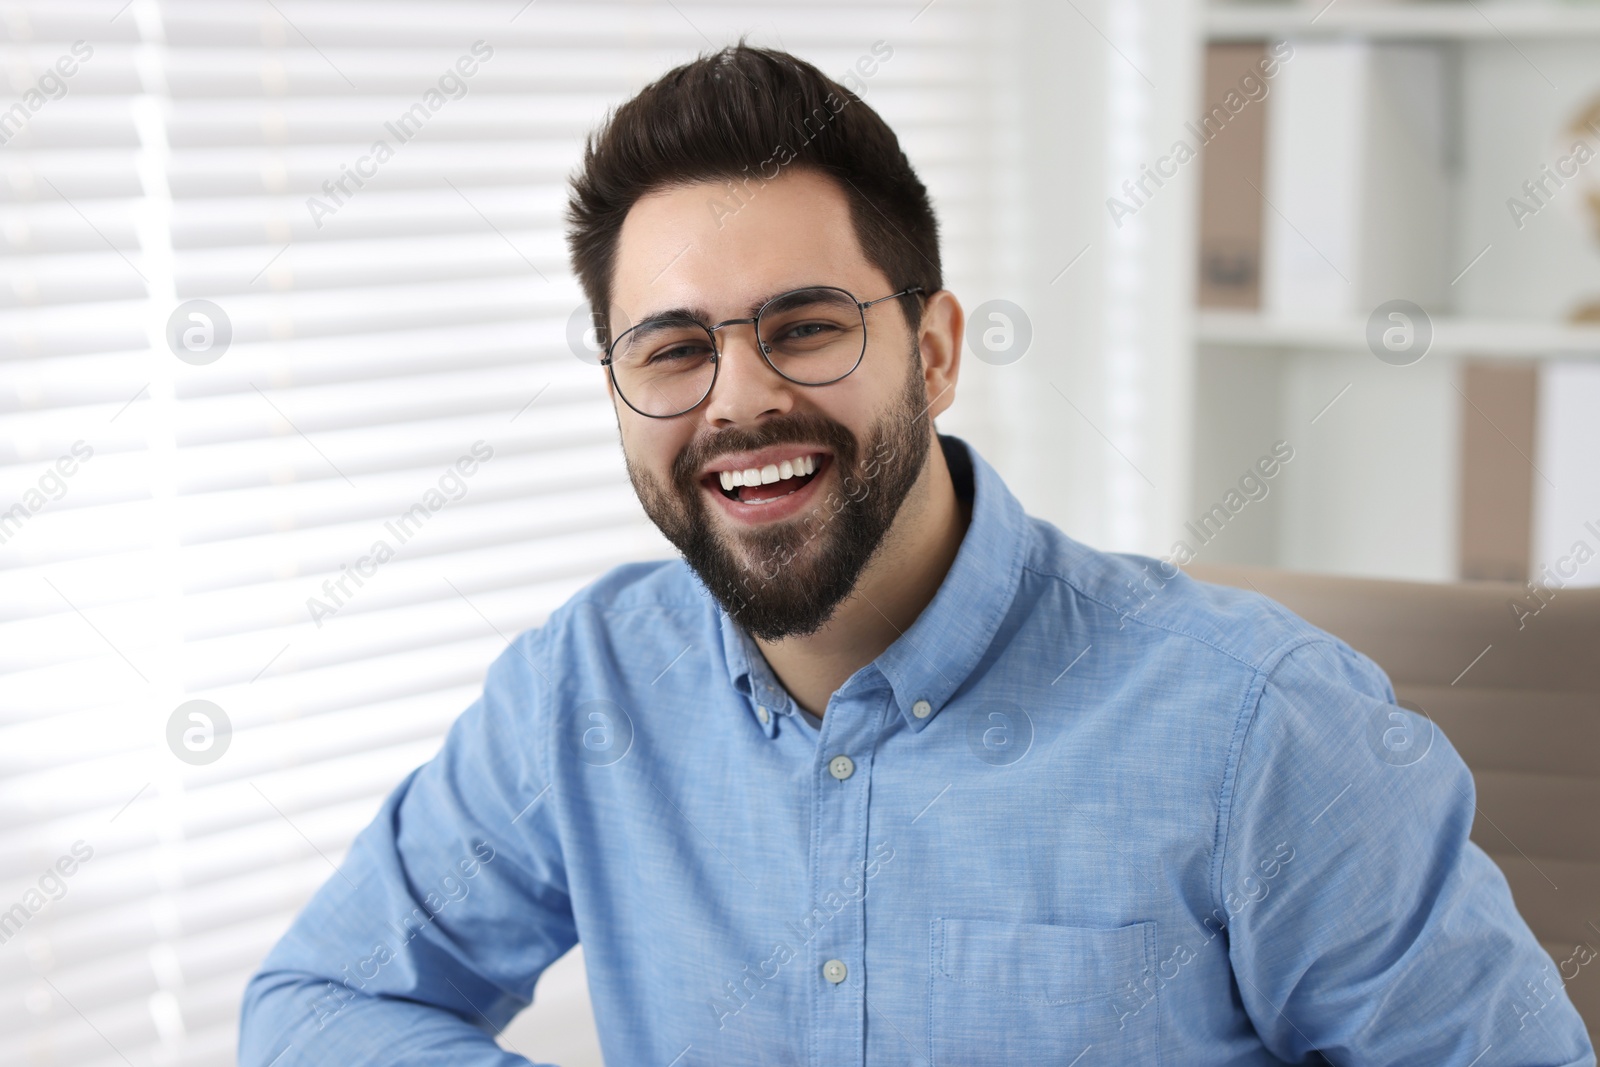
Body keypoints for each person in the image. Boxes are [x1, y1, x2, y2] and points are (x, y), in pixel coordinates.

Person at [239, 44, 1595, 1066]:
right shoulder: (584, 691)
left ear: (935, 350)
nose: (737, 400)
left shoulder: (1261, 723)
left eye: (807, 327)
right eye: (671, 348)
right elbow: (314, 1007)